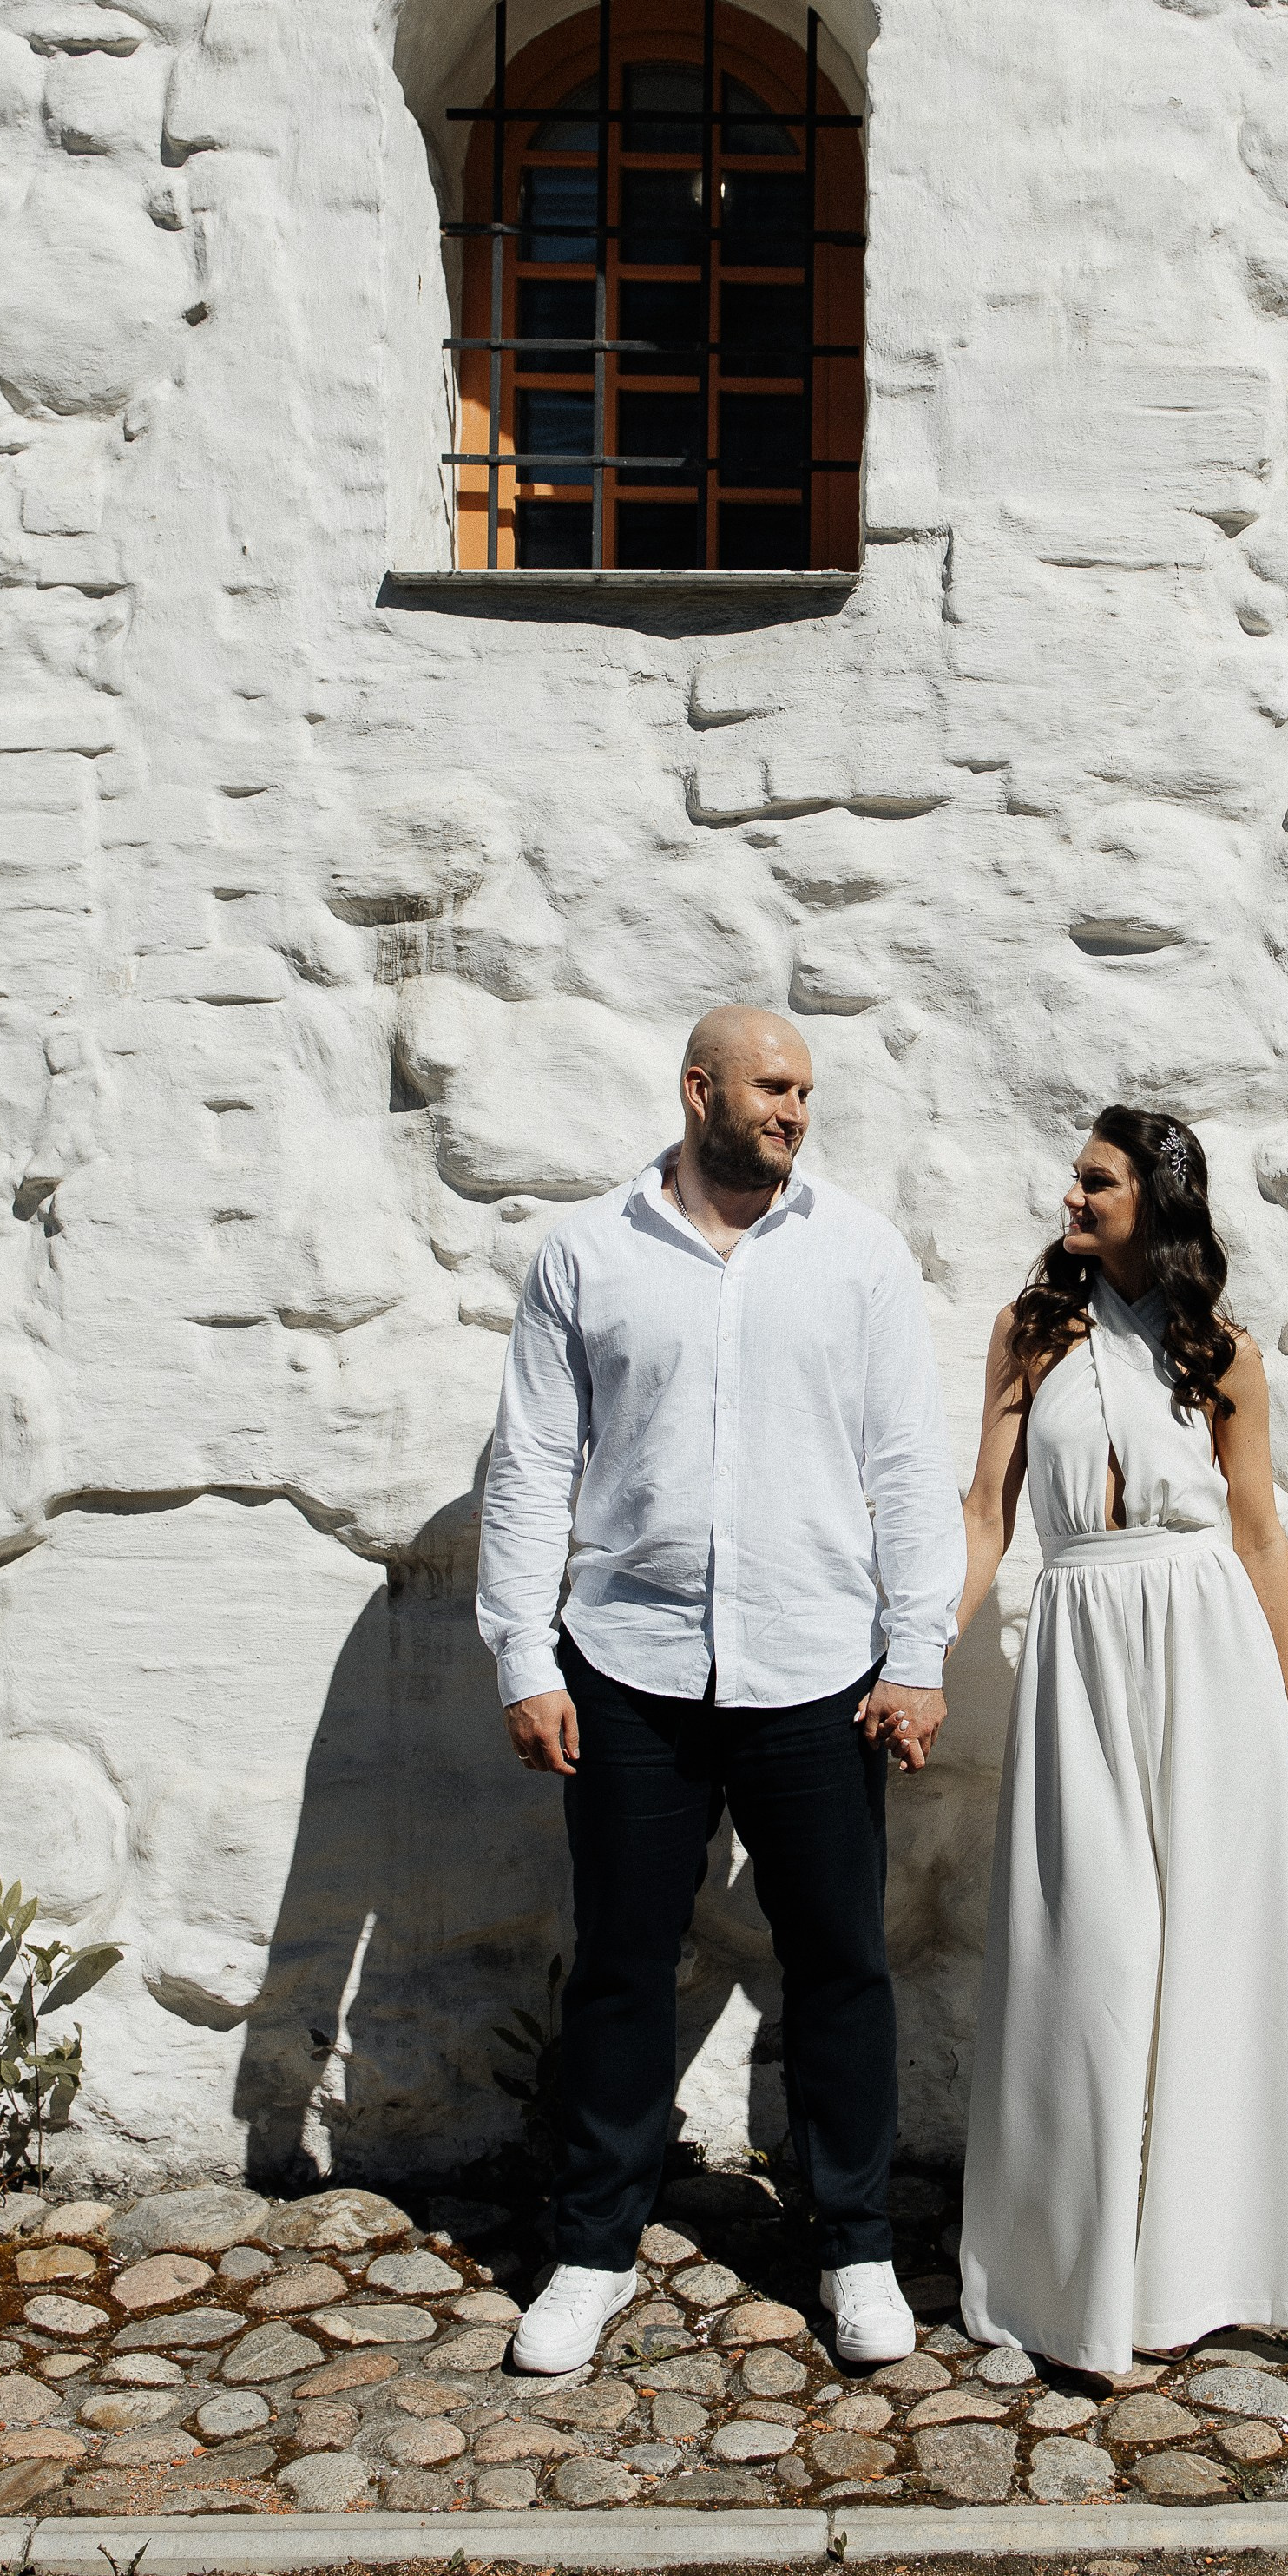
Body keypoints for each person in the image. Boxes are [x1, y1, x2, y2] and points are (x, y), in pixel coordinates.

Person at [476, 1005, 965, 2378]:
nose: (795, 1111)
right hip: (627, 1666)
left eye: (807, 1090)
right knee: (624, 1967)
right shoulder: (585, 1255)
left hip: (820, 1668)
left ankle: (856, 2246)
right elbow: (528, 1468)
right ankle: (590, 2252)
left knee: (840, 1968)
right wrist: (524, 1655)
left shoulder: (857, 1253)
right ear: (698, 1090)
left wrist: (917, 1651)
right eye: (771, 1087)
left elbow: (910, 1469)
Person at [954, 1107, 1288, 2375]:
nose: (1071, 1197)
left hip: (1208, 1650)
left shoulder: (1221, 1351)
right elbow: (986, 1517)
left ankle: (1201, 2275)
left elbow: (1260, 1537)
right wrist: (913, 1654)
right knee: (1089, 1958)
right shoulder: (1032, 1334)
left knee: (1216, 1965)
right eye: (1073, 1177)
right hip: (1084, 1643)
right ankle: (1066, 2279)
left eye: (1096, 1181)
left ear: (1156, 1201)